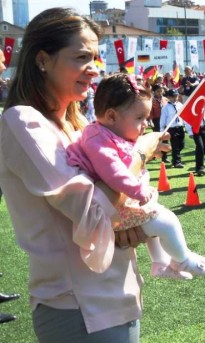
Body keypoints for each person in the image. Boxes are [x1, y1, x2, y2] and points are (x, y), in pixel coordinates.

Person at [0, 7, 169, 340]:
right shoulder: (23, 122)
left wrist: (132, 226)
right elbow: (92, 212)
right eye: (81, 57)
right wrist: (141, 151)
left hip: (114, 294)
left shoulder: (76, 125)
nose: (93, 69)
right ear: (42, 59)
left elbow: (114, 209)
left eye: (94, 57)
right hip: (78, 307)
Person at [67, 73, 205, 280]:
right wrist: (138, 189)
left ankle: (160, 263)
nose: (145, 124)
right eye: (139, 118)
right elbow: (113, 172)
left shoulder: (108, 133)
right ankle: (183, 259)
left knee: (154, 221)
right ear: (111, 116)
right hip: (117, 209)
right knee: (167, 221)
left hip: (119, 205)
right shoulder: (97, 139)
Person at [160, 89, 186, 168]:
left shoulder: (180, 105)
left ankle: (174, 158)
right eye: (173, 96)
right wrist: (162, 131)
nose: (175, 98)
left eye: (176, 96)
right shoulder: (166, 108)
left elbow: (183, 116)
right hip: (171, 128)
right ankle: (177, 162)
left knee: (182, 144)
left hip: (180, 127)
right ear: (168, 97)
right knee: (175, 146)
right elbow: (163, 119)